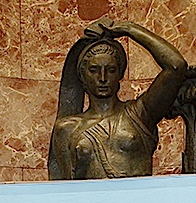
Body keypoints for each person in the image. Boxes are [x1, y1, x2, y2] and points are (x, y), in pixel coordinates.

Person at [47, 18, 188, 180]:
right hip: (92, 197)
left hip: (138, 195)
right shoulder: (67, 128)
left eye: (111, 70)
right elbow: (63, 186)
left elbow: (176, 66)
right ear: (83, 76)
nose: (102, 77)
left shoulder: (139, 115)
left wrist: (130, 29)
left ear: (120, 74)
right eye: (94, 70)